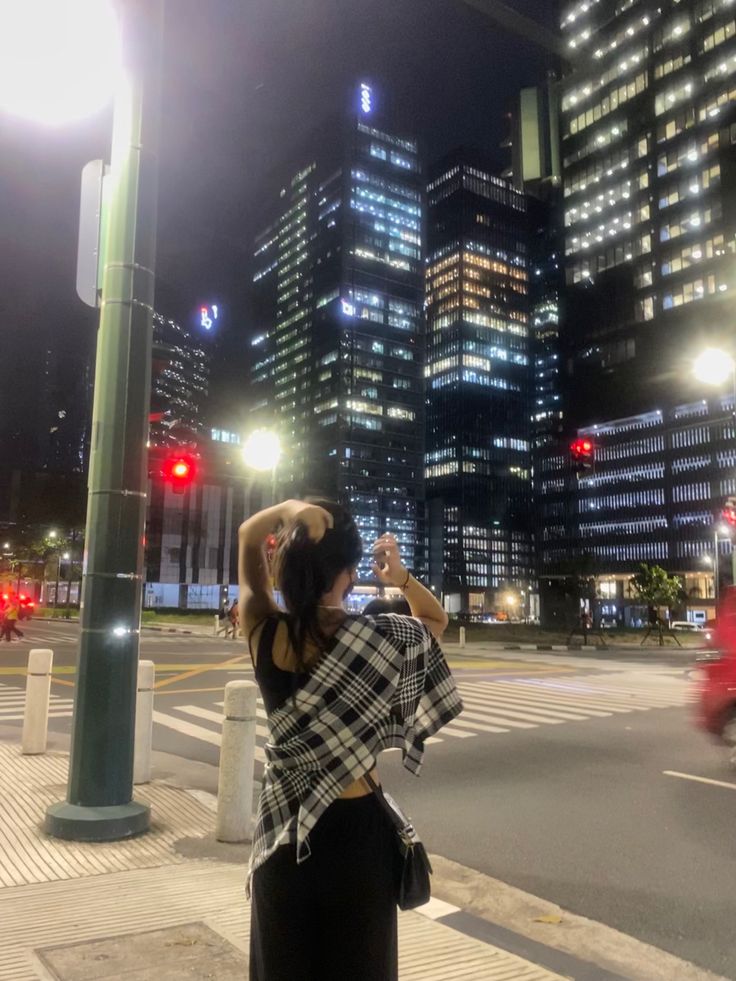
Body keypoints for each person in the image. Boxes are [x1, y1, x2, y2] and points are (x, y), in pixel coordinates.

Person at [239, 498, 462, 981]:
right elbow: (437, 622)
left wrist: (293, 509)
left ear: (290, 569)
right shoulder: (382, 636)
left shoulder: (262, 630)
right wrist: (400, 577)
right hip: (358, 837)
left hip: (283, 831)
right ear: (349, 573)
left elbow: (247, 536)